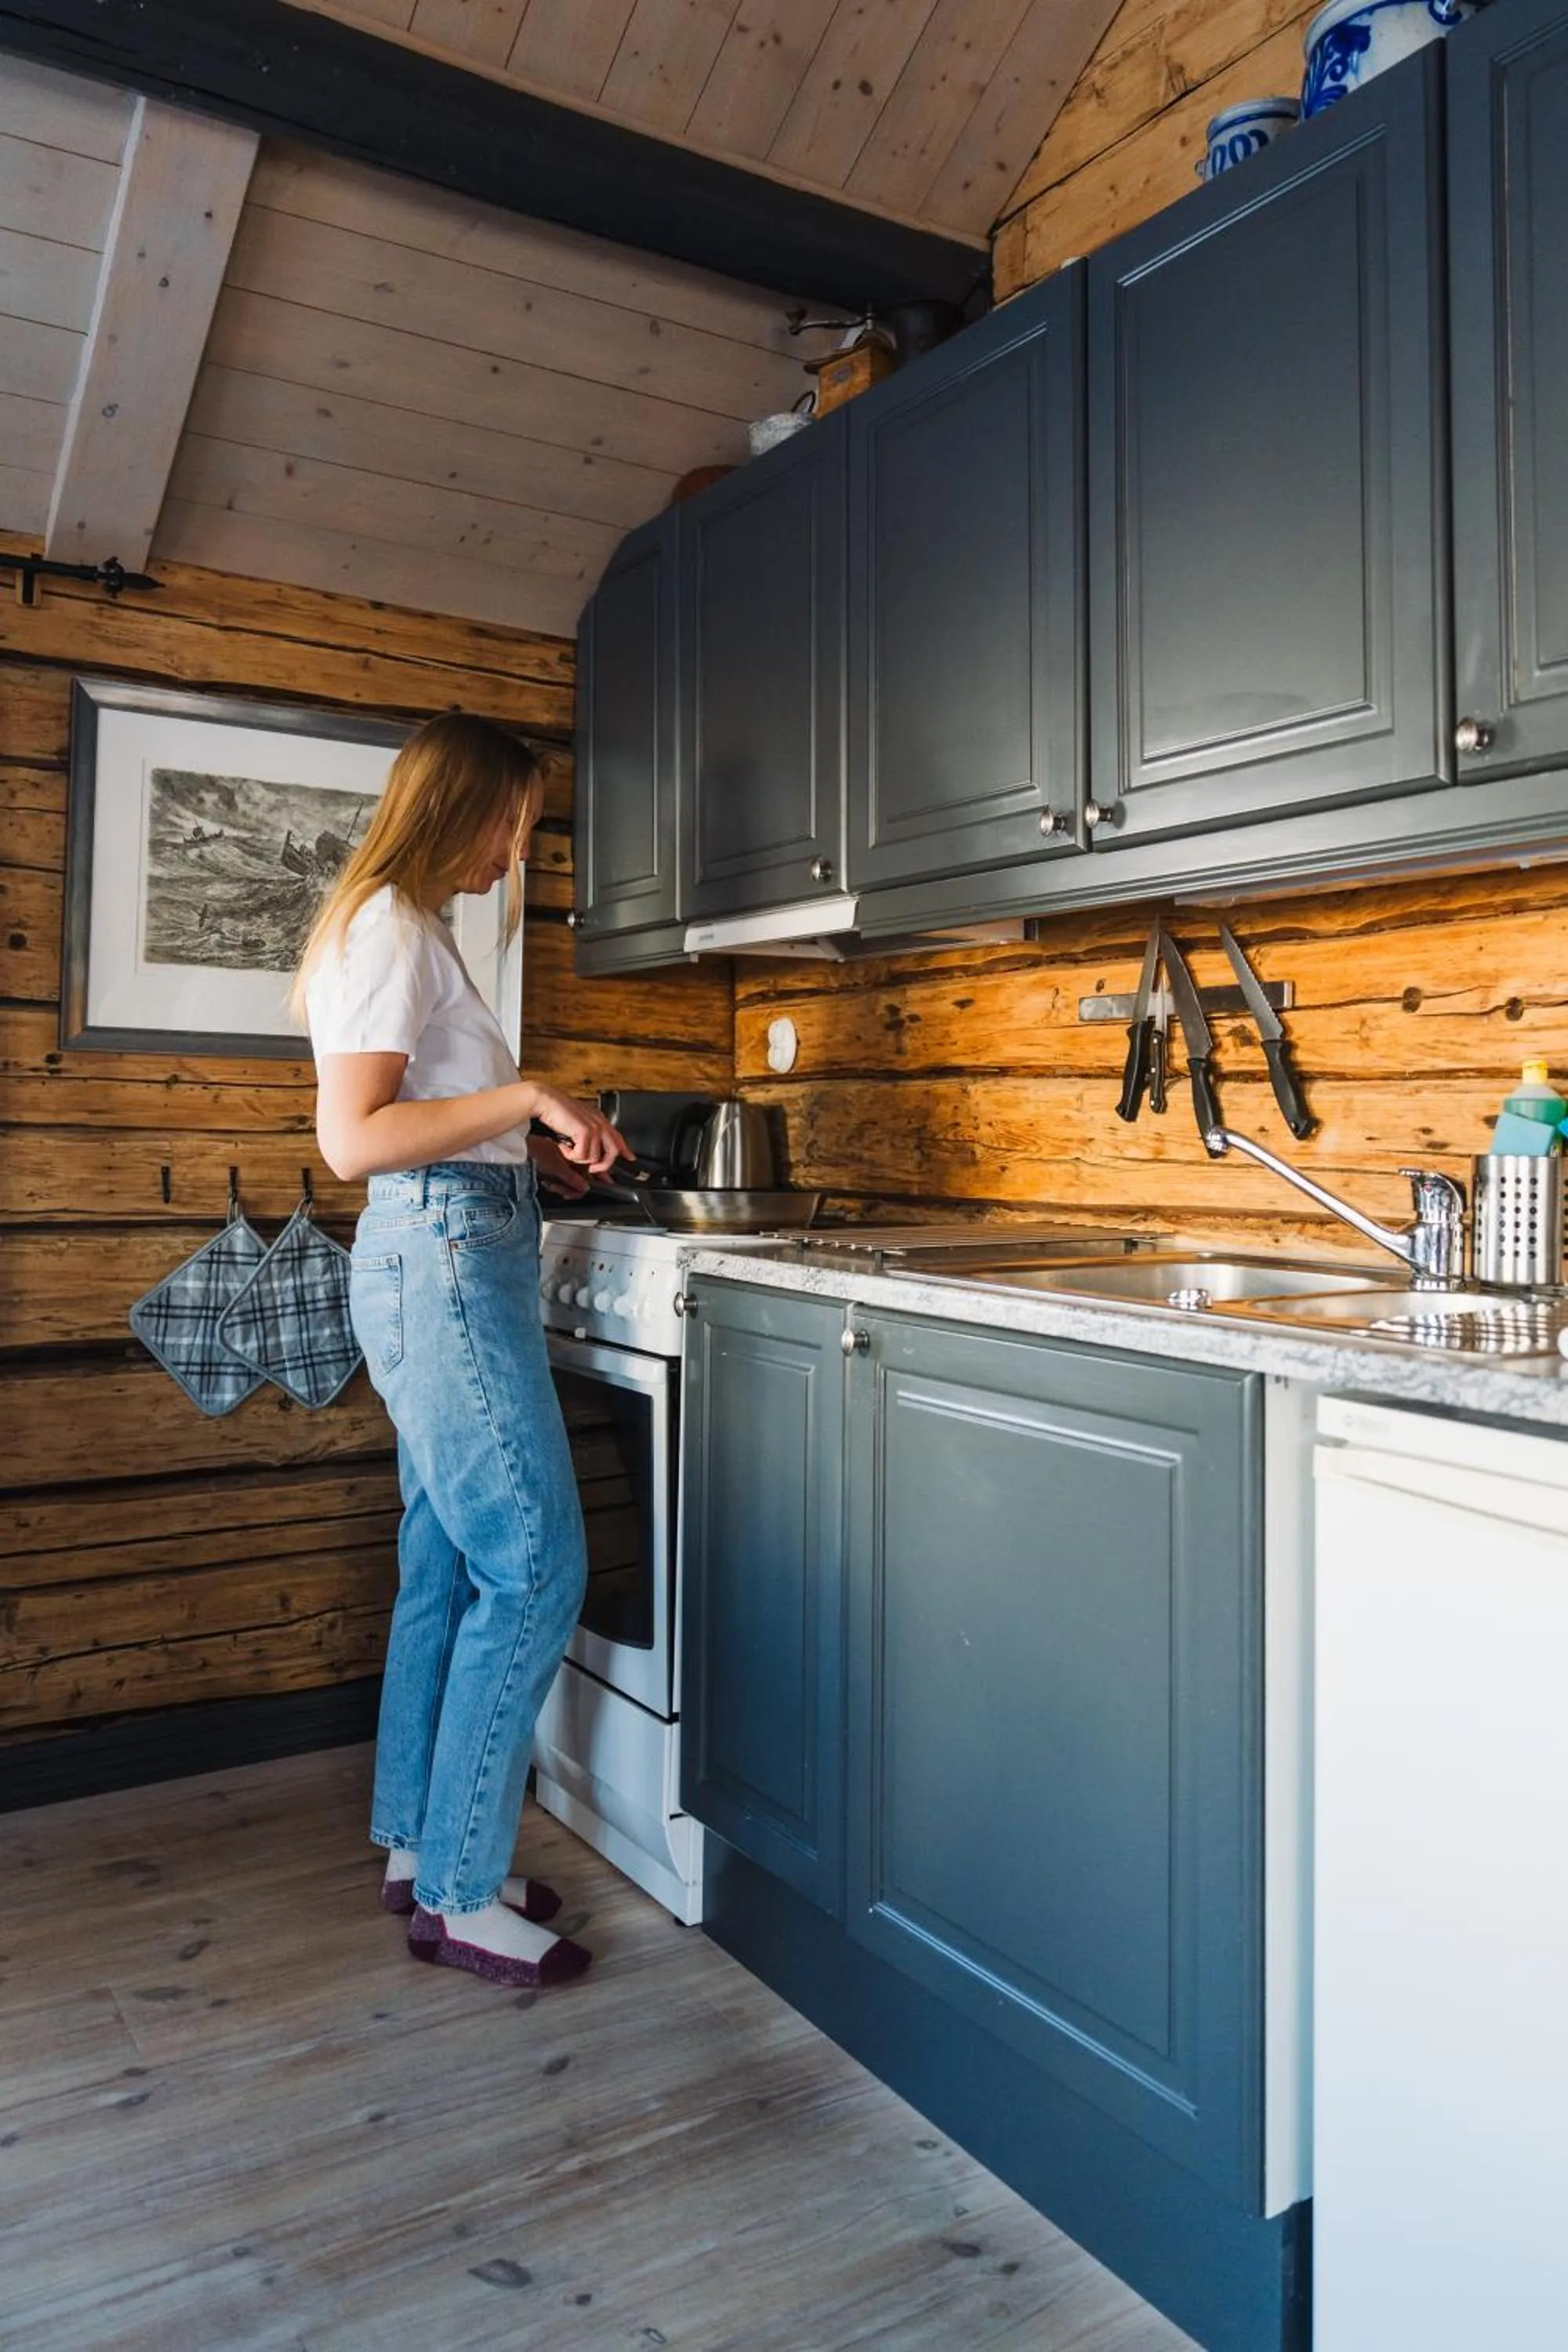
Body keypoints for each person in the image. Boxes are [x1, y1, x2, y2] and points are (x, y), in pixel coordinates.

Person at [293, 713, 627, 1991]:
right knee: (535, 1563)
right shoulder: (386, 926)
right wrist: (531, 1093)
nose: (519, 844)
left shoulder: (406, 929)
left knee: (443, 1559)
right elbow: (357, 1140)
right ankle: (463, 1894)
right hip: (439, 1262)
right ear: (461, 808)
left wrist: (528, 1154)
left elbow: (422, 1123)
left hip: (451, 1244)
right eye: (515, 819)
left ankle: (419, 1849)